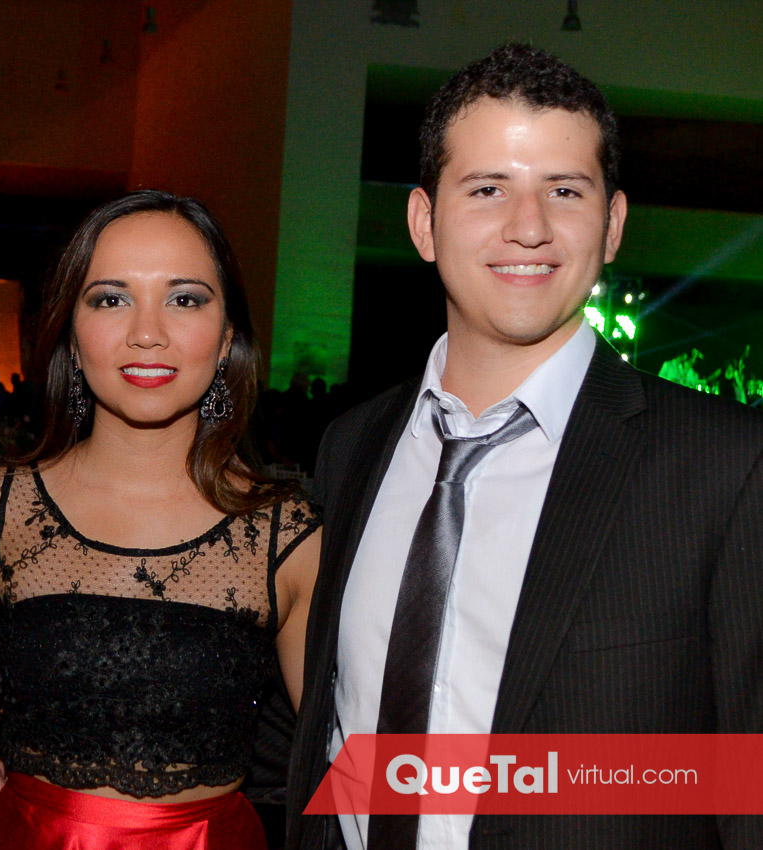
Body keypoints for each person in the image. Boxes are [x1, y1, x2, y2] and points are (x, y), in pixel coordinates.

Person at [286, 44, 763, 849]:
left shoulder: (726, 467)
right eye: (487, 189)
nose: (529, 227)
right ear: (422, 222)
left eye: (564, 191)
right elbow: (331, 733)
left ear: (611, 225)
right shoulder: (351, 447)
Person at [0, 190, 322, 849]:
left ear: (227, 337)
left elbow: (352, 756)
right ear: (72, 333)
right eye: (110, 299)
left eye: (184, 299)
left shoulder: (284, 535)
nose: (147, 332)